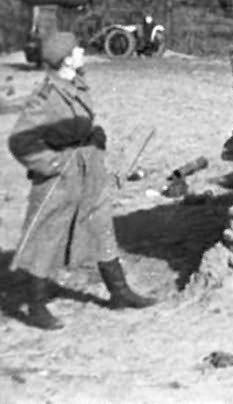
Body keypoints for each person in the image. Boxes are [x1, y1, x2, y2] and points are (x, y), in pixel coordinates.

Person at [7, 31, 156, 329]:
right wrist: (50, 163)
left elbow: (78, 122)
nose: (81, 51)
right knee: (46, 238)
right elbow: (20, 141)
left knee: (102, 226)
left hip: (89, 168)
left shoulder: (76, 84)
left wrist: (94, 136)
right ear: (64, 59)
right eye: (76, 49)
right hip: (60, 177)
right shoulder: (46, 97)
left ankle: (119, 292)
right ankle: (36, 306)